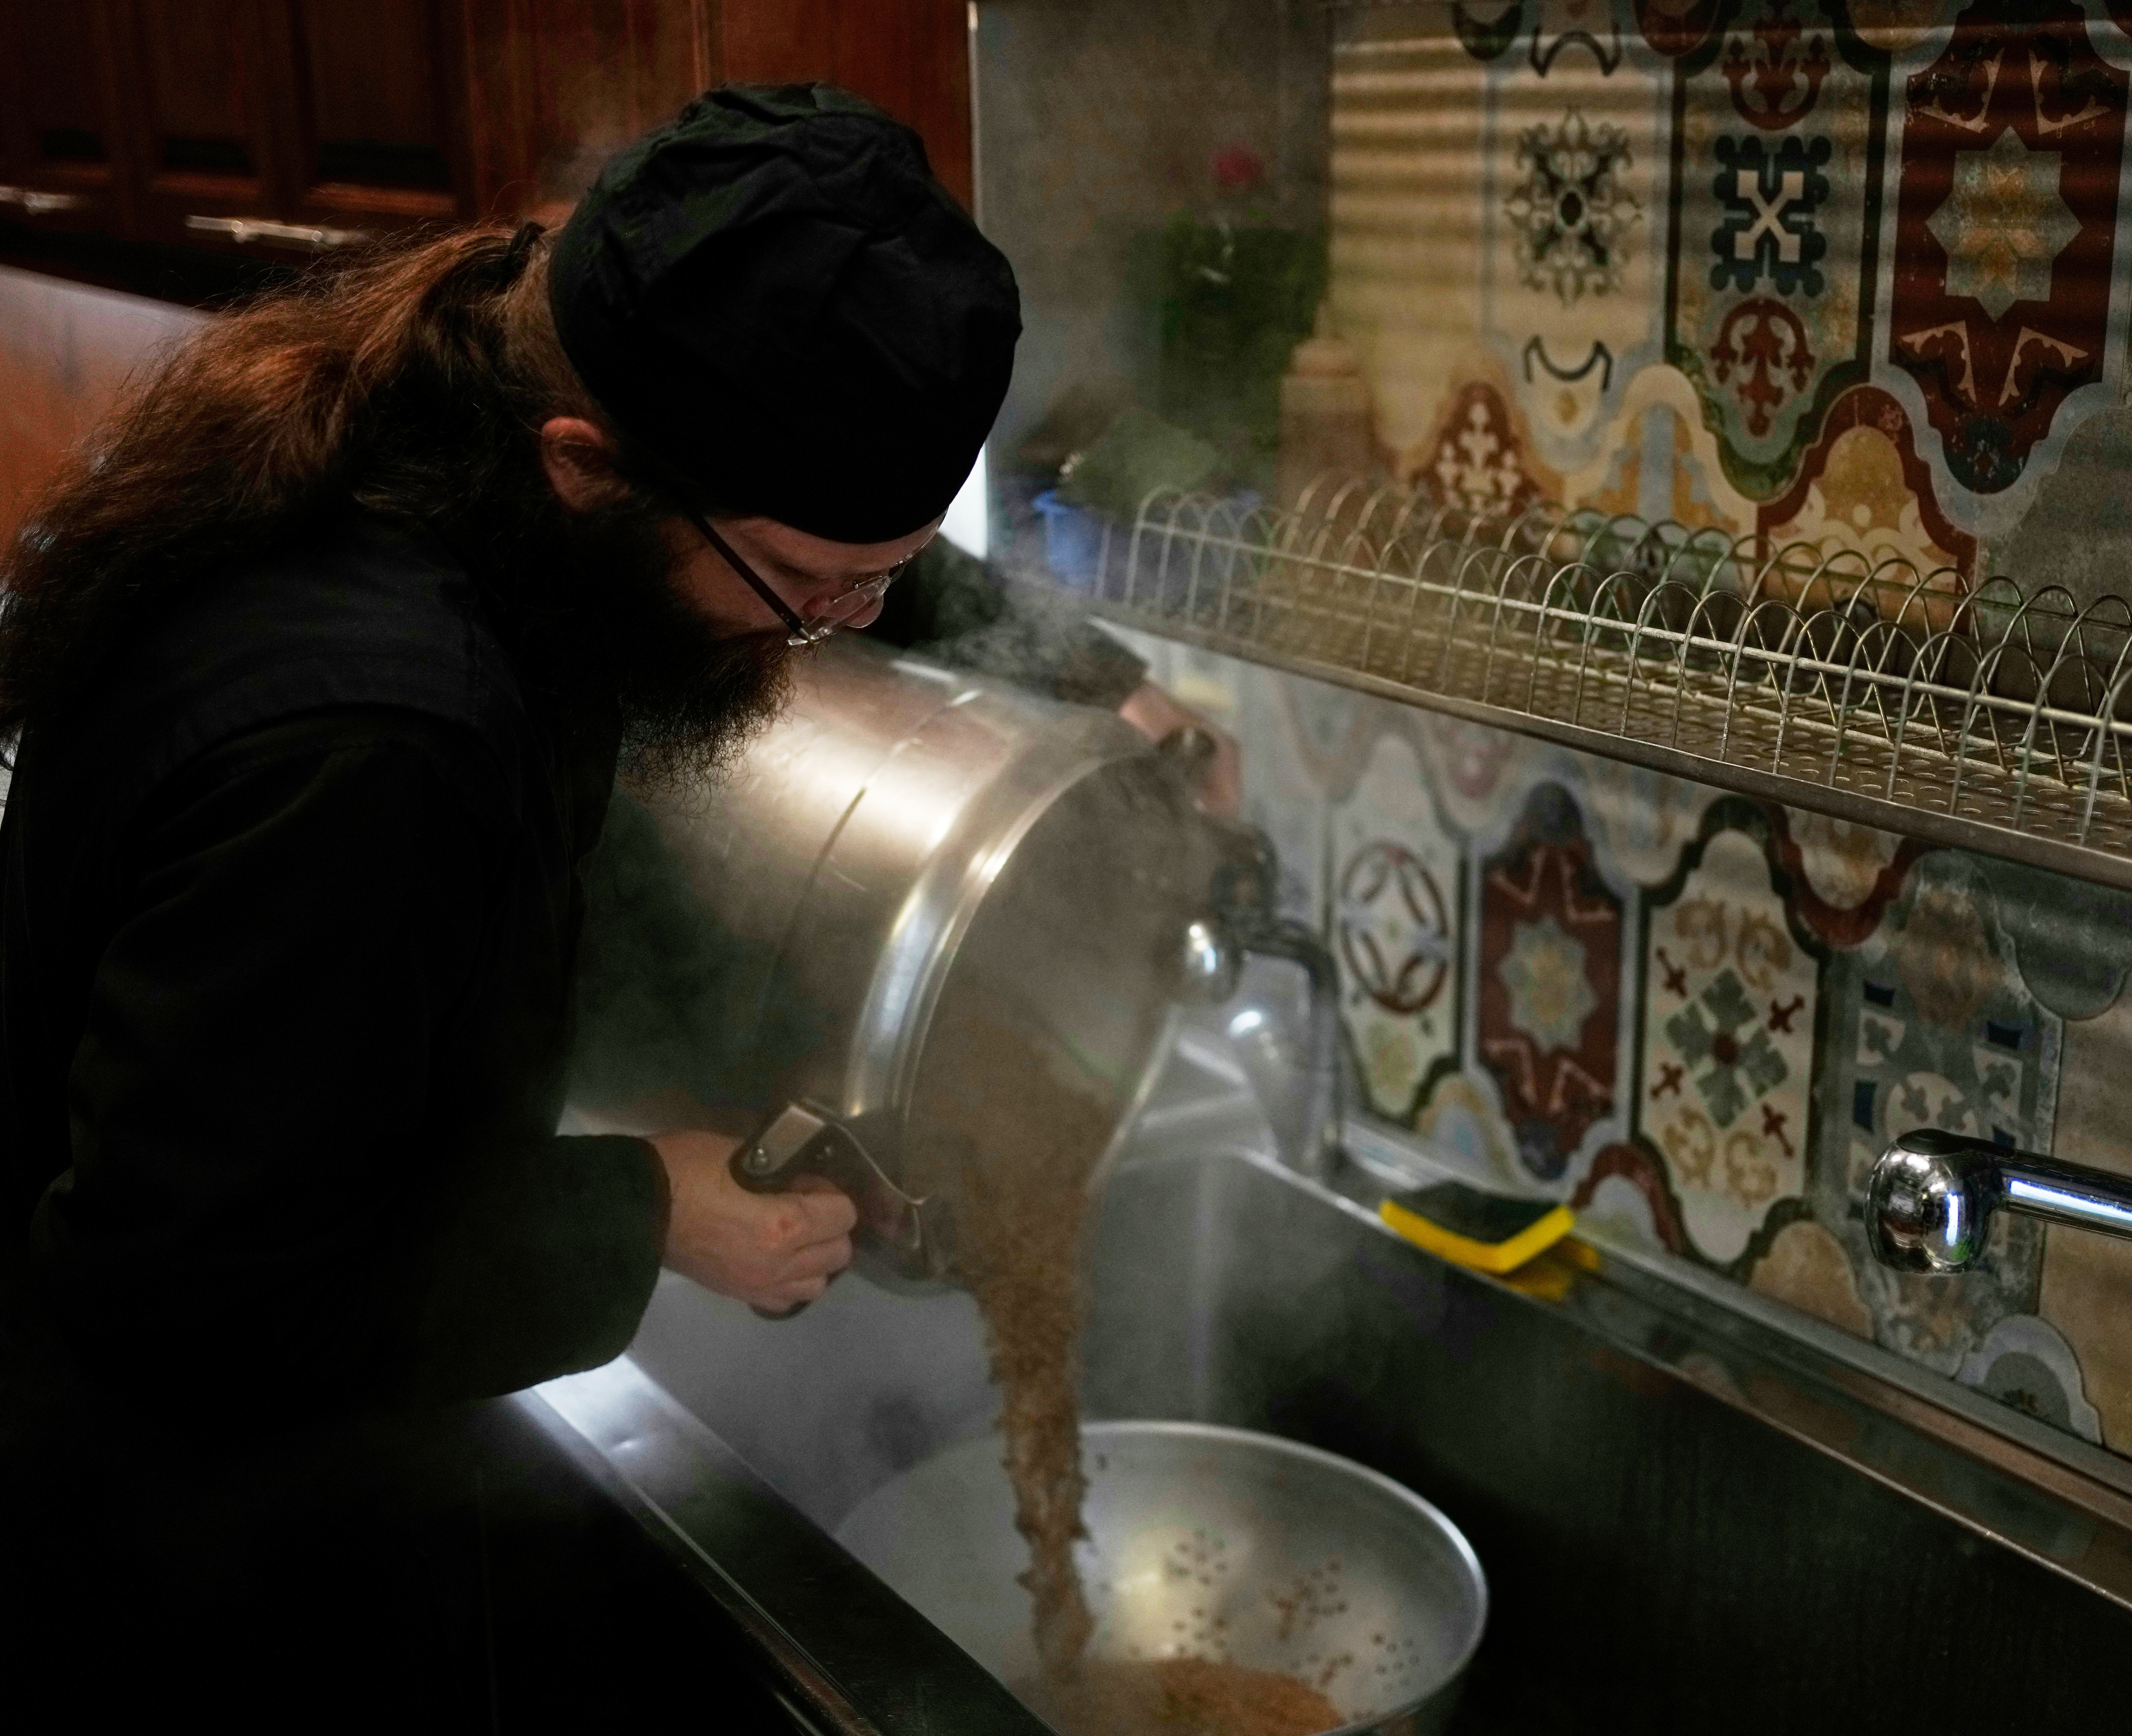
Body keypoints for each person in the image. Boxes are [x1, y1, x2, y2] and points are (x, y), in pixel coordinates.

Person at [0, 84, 1228, 1721]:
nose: (836, 628)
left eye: (875, 578)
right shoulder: (371, 744)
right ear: (593, 473)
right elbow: (192, 1294)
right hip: (181, 1580)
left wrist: (1104, 683)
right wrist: (651, 1206)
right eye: (810, 593)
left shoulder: (503, 390)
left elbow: (837, 523)